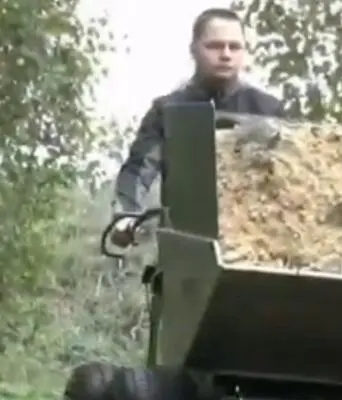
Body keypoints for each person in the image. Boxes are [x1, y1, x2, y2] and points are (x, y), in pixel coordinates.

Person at [110, 7, 284, 247]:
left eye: (234, 47)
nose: (225, 54)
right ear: (194, 49)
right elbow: (140, 169)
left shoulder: (268, 110)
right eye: (214, 46)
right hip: (187, 242)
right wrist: (126, 216)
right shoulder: (168, 110)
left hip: (258, 244)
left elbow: (290, 178)